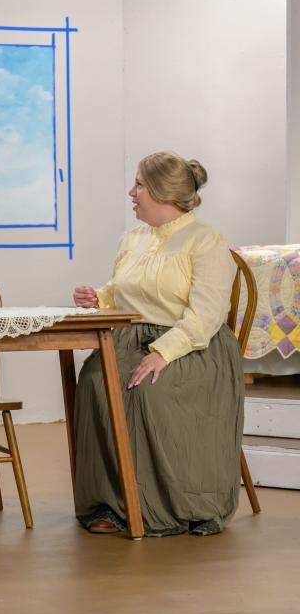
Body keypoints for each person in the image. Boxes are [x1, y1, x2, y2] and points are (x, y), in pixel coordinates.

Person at [72, 151, 242, 536]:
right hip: (132, 338)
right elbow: (125, 292)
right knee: (96, 382)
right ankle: (110, 503)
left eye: (139, 184)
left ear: (163, 192)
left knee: (151, 391)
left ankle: (176, 504)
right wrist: (99, 297)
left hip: (192, 346)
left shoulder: (206, 241)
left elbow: (205, 316)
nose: (131, 192)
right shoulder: (133, 237)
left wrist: (163, 352)